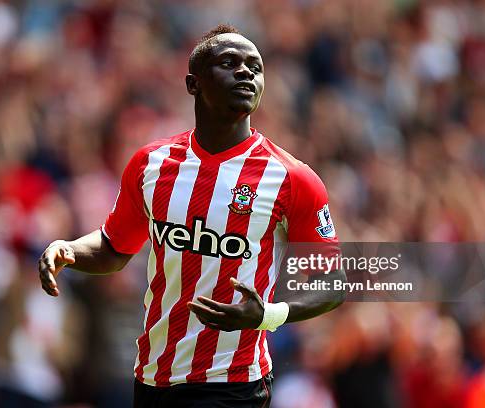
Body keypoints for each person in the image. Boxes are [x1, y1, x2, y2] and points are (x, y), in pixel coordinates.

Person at [38, 24, 346, 408]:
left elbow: (333, 282)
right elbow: (115, 247)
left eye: (255, 66)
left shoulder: (291, 178)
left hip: (234, 383)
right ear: (193, 83)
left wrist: (266, 314)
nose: (246, 73)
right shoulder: (151, 164)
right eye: (229, 63)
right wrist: (69, 249)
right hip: (153, 377)